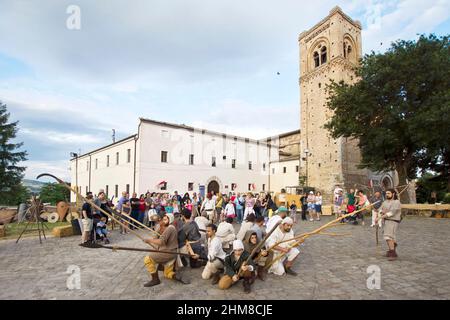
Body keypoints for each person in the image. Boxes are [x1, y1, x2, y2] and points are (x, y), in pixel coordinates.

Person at [143, 214, 190, 287]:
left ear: (170, 219)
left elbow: (162, 242)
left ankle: (155, 279)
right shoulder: (169, 227)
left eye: (166, 220)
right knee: (167, 273)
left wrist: (149, 240)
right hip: (171, 252)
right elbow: (158, 237)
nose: (163, 221)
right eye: (163, 219)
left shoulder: (170, 228)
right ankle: (176, 276)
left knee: (147, 259)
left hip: (168, 252)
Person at [378, 189, 402, 260]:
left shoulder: (396, 202)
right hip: (386, 221)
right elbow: (380, 210)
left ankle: (392, 253)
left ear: (393, 194)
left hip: (393, 221)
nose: (387, 194)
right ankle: (392, 248)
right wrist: (381, 212)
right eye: (386, 193)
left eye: (388, 193)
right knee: (390, 237)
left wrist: (381, 217)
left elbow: (391, 213)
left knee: (388, 237)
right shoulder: (385, 202)